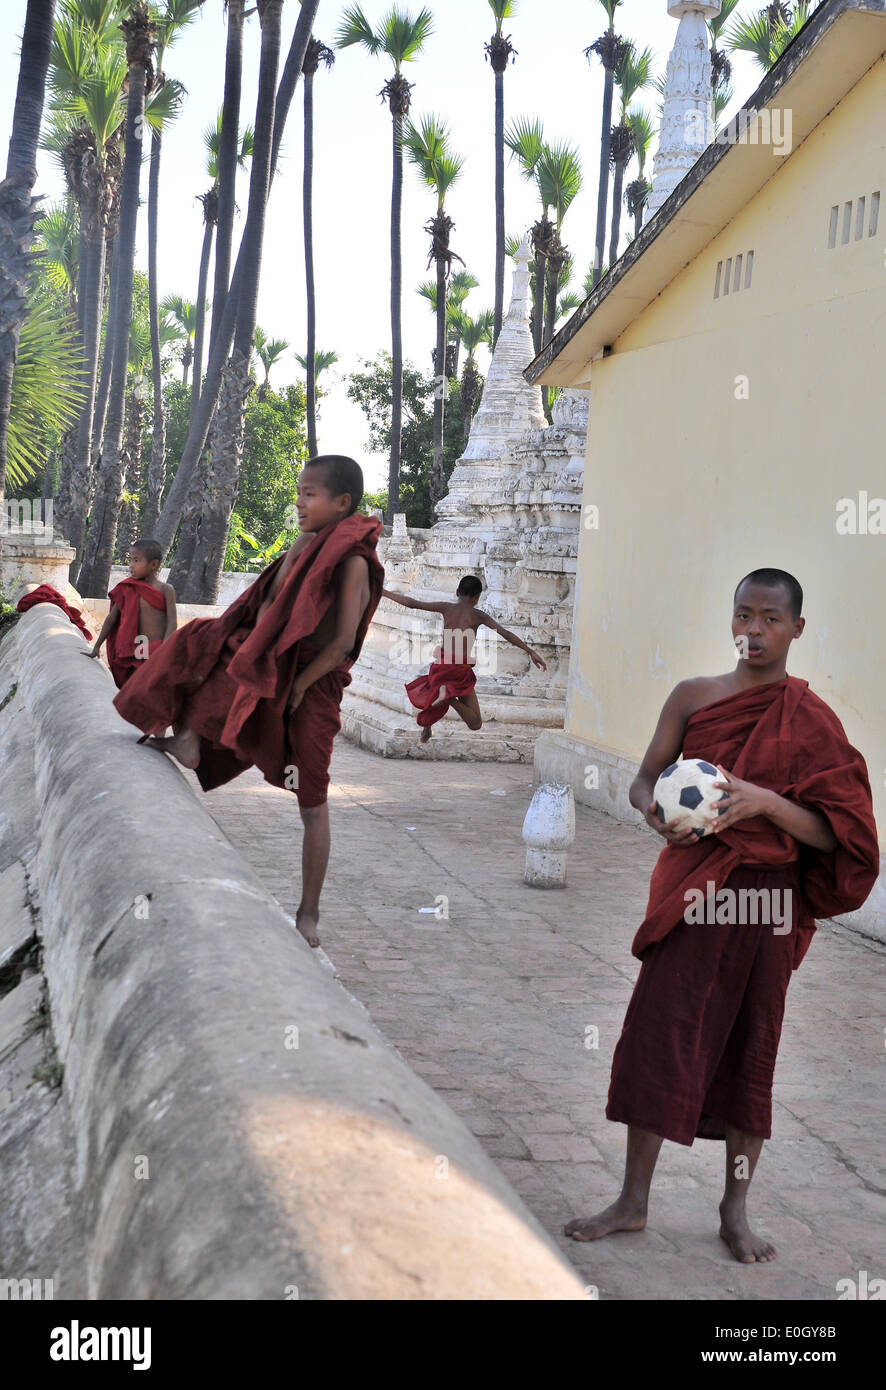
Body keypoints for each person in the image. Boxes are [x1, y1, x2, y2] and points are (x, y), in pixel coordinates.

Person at [565, 568, 879, 1264]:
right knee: (658, 1034)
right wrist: (654, 813)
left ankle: (735, 1209)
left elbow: (841, 835)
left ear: (797, 628)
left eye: (771, 618)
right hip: (695, 890)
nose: (755, 631)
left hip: (768, 902)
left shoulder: (812, 721)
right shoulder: (694, 697)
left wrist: (766, 802)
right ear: (730, 621)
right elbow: (645, 777)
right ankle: (633, 1199)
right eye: (744, 616)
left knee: (750, 1050)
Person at [113, 456, 384, 949]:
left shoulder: (352, 560)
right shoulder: (309, 545)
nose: (299, 502)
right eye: (299, 491)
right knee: (209, 641)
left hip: (316, 683)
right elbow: (270, 604)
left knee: (313, 801)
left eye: (311, 494)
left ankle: (308, 913)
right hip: (279, 660)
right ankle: (191, 741)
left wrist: (301, 685)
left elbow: (343, 641)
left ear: (342, 503)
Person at [383, 575, 547, 743]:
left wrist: (383, 592)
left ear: (457, 592)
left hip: (440, 666)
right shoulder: (478, 615)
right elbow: (505, 633)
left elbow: (413, 603)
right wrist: (530, 651)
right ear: (477, 598)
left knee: (435, 685)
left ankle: (430, 721)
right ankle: (449, 698)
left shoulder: (446, 608)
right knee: (475, 723)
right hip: (458, 669)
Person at [84, 538, 176, 687]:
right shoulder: (127, 588)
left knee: (153, 688)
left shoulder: (166, 590)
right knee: (133, 687)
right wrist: (97, 646)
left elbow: (172, 622)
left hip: (156, 648)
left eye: (136, 560)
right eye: (130, 560)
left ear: (153, 565)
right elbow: (112, 618)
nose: (131, 566)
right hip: (135, 649)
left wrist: (166, 649)